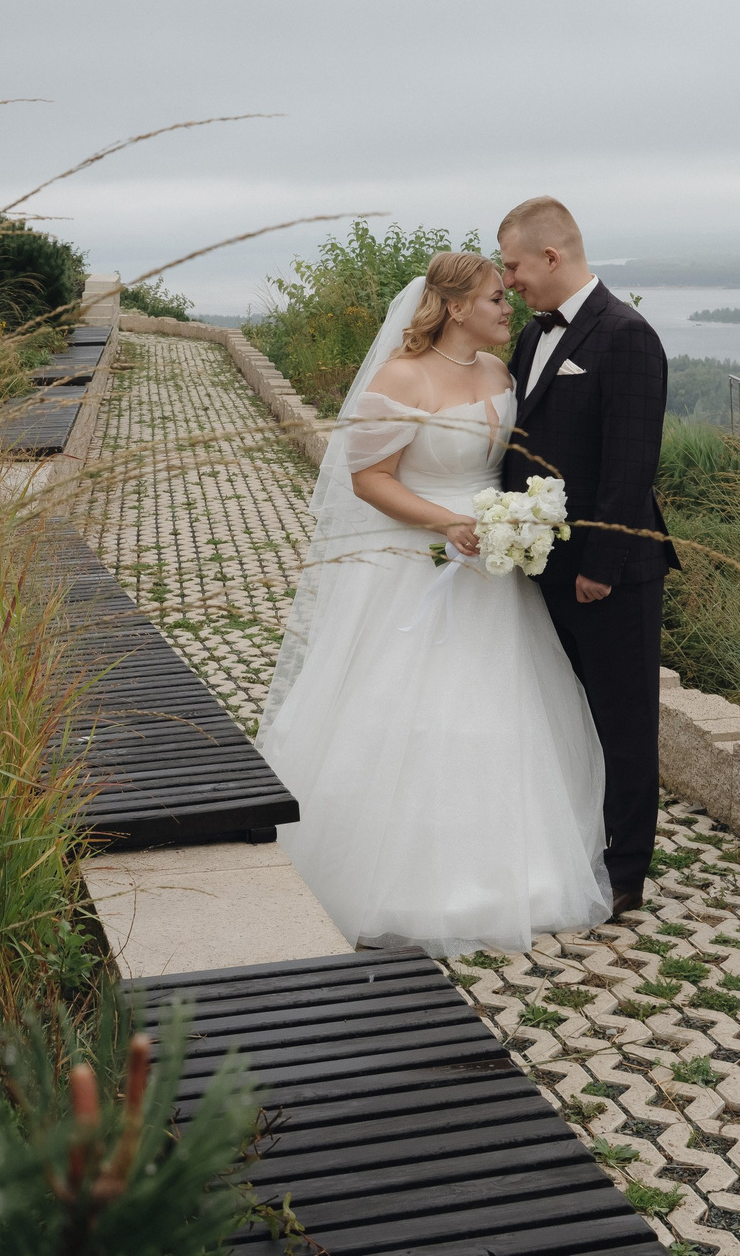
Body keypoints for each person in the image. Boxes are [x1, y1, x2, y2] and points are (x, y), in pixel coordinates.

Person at [258, 251, 613, 955]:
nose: (505, 306)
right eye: (492, 298)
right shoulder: (402, 376)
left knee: (498, 707)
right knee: (404, 707)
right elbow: (369, 478)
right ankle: (395, 874)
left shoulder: (501, 371)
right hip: (418, 560)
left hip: (494, 568)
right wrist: (445, 523)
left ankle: (512, 871)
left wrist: (516, 522)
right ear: (455, 307)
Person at [495, 196, 679, 915]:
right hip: (541, 569)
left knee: (623, 719)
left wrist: (599, 567)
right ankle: (574, 848)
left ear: (551, 255)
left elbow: (630, 464)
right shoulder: (532, 338)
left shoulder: (627, 334)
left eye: (514, 266)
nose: (509, 281)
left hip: (611, 577)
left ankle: (626, 872)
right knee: (564, 716)